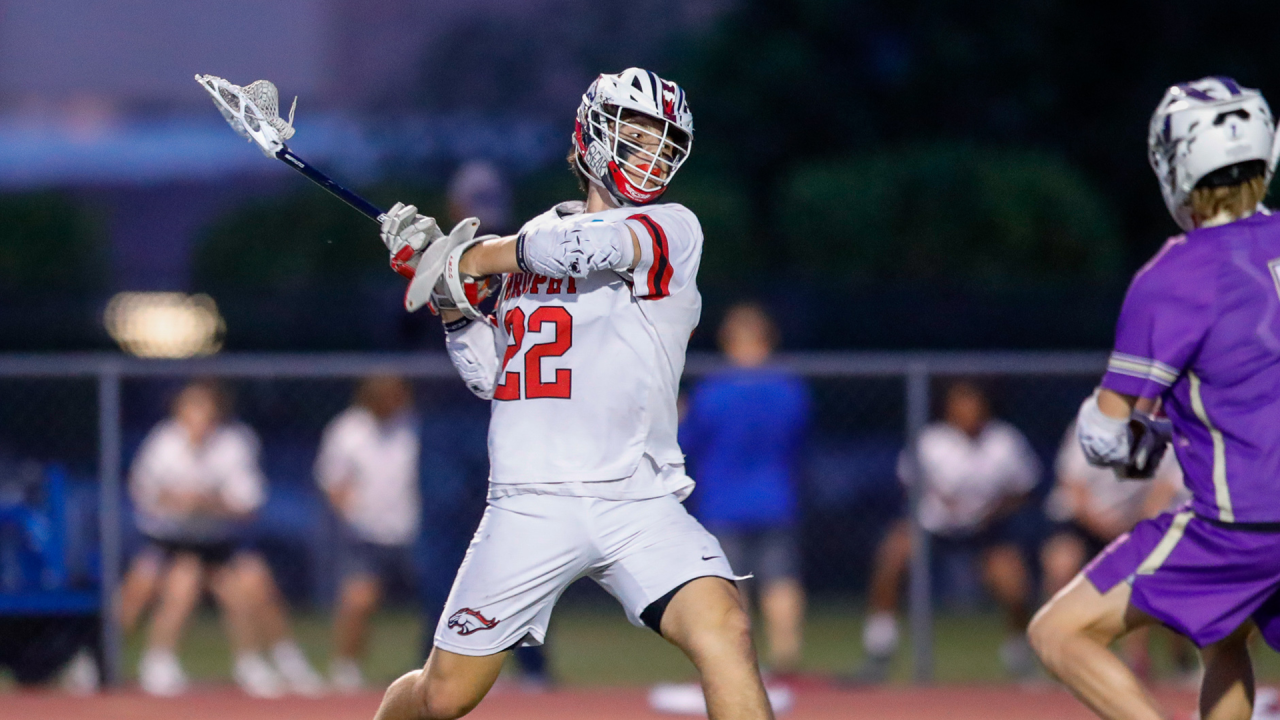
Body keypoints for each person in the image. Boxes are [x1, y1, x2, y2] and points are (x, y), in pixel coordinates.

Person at [372, 68, 775, 720]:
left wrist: (465, 258)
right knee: (443, 695)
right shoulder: (529, 245)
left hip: (635, 497)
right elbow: (495, 378)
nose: (653, 157)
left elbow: (586, 247)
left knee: (725, 628)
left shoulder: (671, 228)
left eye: (665, 145)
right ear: (591, 135)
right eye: (638, 137)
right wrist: (449, 300)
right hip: (531, 501)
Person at [1028, 76, 1280, 720]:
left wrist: (1143, 438)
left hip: (1240, 524)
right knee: (1225, 632)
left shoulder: (1176, 272)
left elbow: (1106, 434)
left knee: (1058, 634)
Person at [124, 380, 323, 697]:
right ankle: (126, 661)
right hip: (170, 540)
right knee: (161, 583)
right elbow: (145, 495)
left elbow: (248, 504)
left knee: (254, 583)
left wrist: (207, 503)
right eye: (191, 409)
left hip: (220, 540)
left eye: (205, 410)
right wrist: (178, 502)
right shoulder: (163, 442)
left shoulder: (235, 443)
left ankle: (272, 661)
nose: (198, 419)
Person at [854, 380, 1040, 682]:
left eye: (973, 404)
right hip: (934, 525)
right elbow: (907, 484)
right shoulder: (931, 441)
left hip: (986, 530)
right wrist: (938, 502)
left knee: (1014, 583)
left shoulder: (1004, 441)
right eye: (959, 404)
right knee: (893, 556)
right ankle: (879, 648)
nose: (967, 411)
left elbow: (1024, 488)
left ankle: (1019, 655)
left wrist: (990, 511)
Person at [680, 302, 811, 675]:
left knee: (733, 584)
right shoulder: (789, 390)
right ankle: (786, 654)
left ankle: (741, 658)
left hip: (723, 501)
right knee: (781, 579)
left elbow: (688, 440)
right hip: (776, 496)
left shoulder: (711, 392)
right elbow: (798, 439)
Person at [1042, 422, 1194, 684]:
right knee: (1061, 564)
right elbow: (1073, 486)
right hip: (1083, 522)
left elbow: (1164, 491)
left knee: (1147, 570)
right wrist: (1105, 527)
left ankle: (1137, 661)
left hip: (1134, 523)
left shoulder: (1170, 428)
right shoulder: (1093, 420)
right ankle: (1058, 656)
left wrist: (1133, 531)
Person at [315, 376, 421, 692]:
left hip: (413, 529)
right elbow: (332, 480)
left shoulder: (413, 428)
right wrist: (352, 515)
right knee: (358, 600)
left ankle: (448, 668)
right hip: (366, 533)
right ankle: (346, 667)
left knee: (442, 601)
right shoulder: (347, 430)